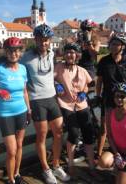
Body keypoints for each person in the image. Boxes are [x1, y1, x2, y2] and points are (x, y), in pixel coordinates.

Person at [21, 24, 70, 184]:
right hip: (36, 100)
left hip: (52, 98)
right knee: (42, 135)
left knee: (58, 132)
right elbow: (17, 73)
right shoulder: (26, 57)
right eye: (40, 40)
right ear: (35, 39)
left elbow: (53, 73)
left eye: (46, 40)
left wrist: (58, 83)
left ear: (50, 41)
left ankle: (55, 165)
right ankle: (45, 169)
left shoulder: (51, 54)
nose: (43, 43)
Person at [0, 37, 31, 184]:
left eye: (17, 50)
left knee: (19, 145)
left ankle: (17, 174)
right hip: (6, 114)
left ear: (20, 52)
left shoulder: (23, 69)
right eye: (10, 50)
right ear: (6, 52)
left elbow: (24, 91)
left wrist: (29, 109)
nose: (14, 53)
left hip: (22, 111)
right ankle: (10, 179)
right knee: (11, 150)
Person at [54, 42, 97, 176]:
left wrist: (85, 91)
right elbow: (48, 79)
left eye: (73, 52)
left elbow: (91, 84)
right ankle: (71, 164)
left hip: (81, 105)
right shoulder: (59, 67)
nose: (70, 55)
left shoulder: (82, 70)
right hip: (66, 104)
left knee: (88, 134)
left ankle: (91, 166)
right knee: (73, 133)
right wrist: (56, 84)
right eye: (67, 52)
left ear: (77, 55)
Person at [96, 33, 126, 158]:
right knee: (104, 128)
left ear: (122, 47)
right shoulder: (104, 61)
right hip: (108, 97)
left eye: (117, 44)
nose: (114, 47)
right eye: (112, 44)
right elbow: (99, 80)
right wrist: (98, 95)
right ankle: (99, 153)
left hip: (124, 98)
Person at [98, 83, 126, 184]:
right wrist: (117, 154)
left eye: (122, 96)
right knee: (102, 162)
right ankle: (119, 167)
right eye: (116, 96)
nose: (119, 99)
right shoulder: (110, 113)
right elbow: (110, 136)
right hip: (117, 150)